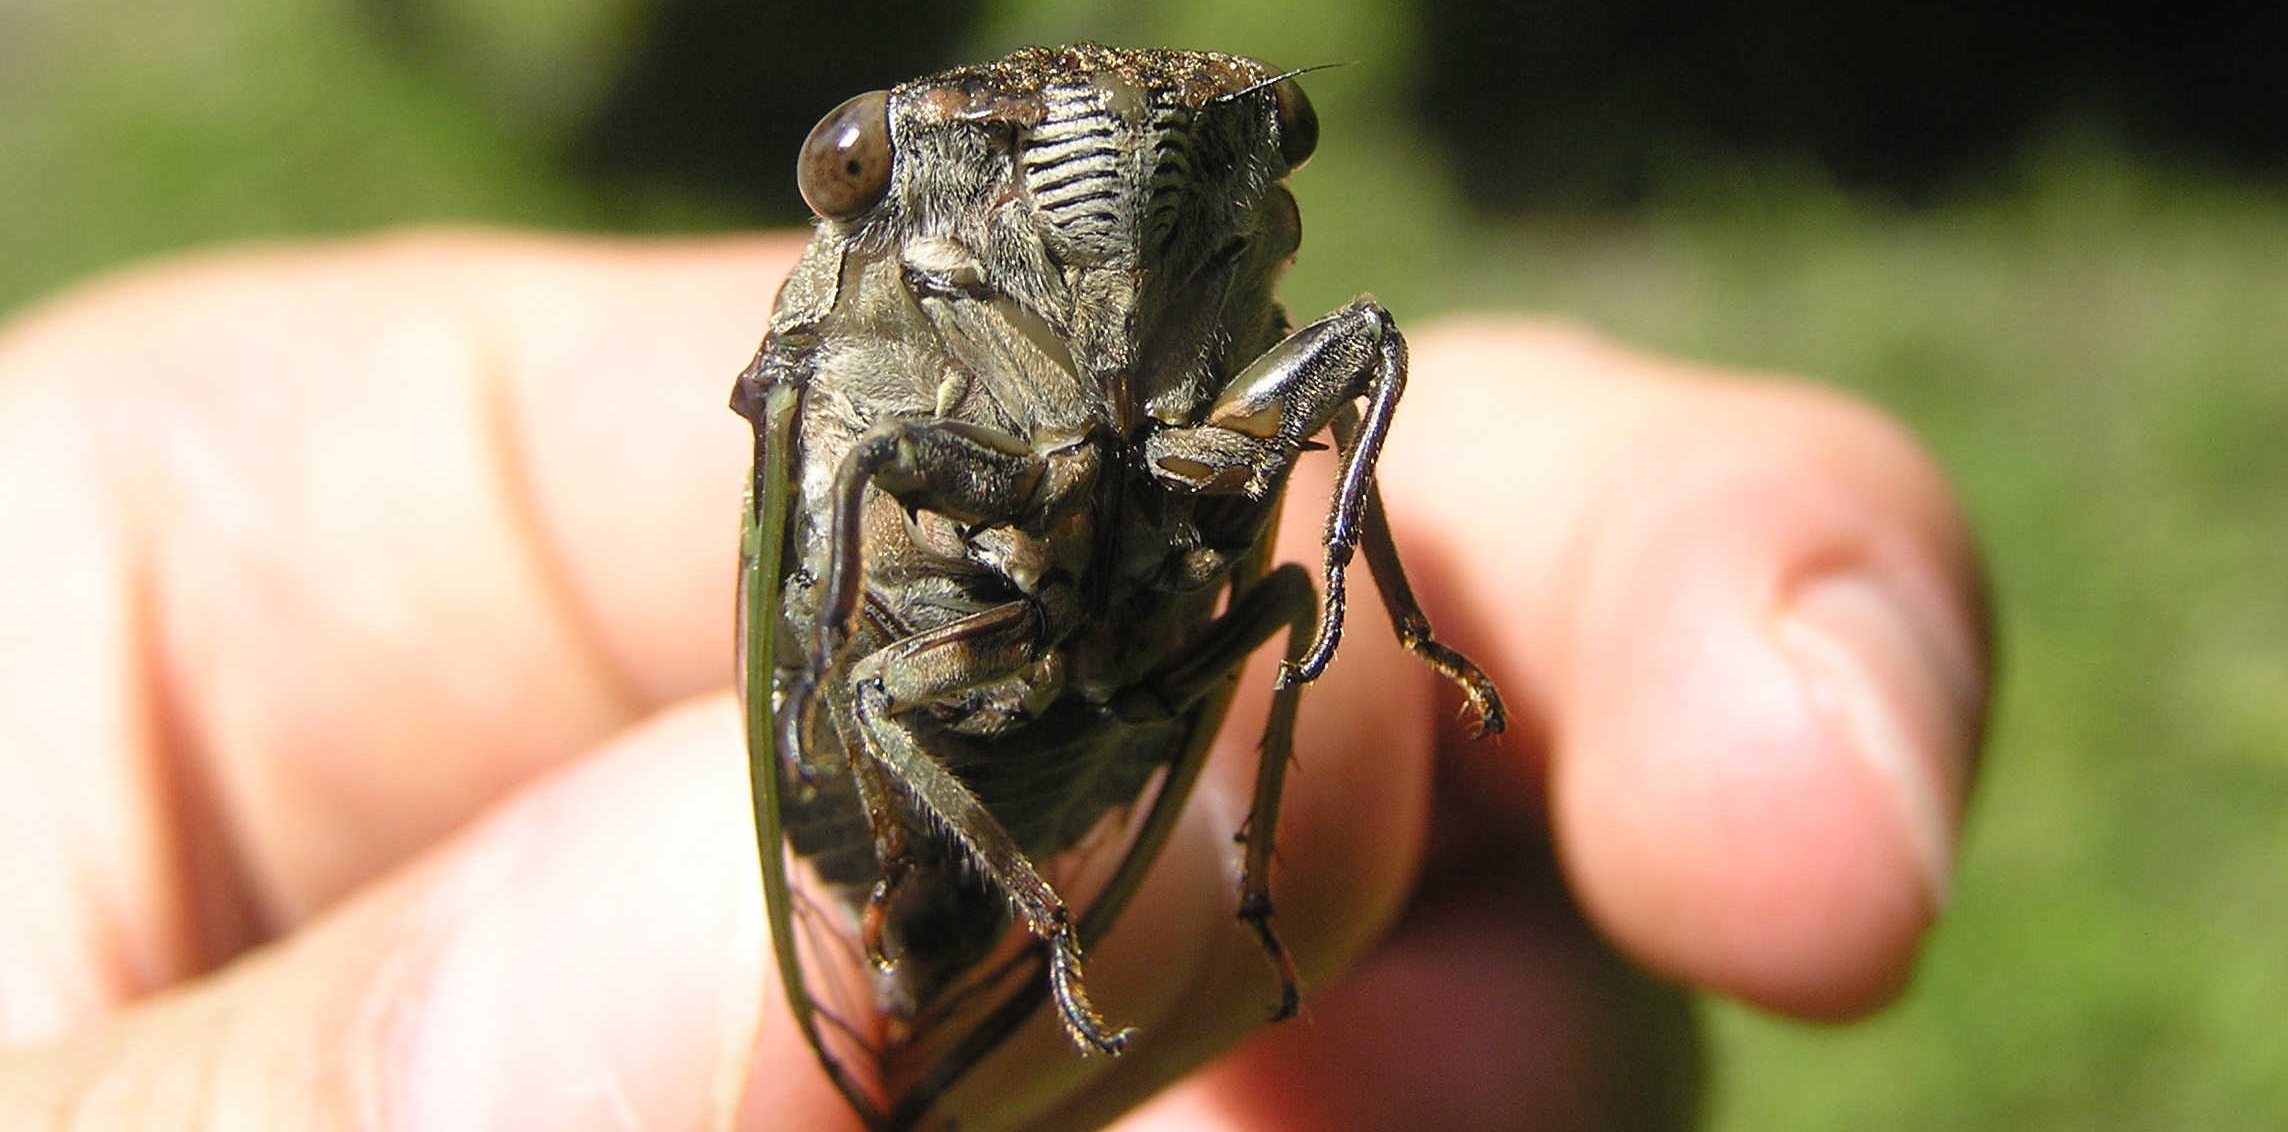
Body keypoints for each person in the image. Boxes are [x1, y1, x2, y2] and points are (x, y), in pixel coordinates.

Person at [0, 231, 1986, 1131]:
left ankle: (1200, 879)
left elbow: (1337, 392)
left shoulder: (1242, 359)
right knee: (880, 700)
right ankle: (1018, 931)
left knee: (1303, 617)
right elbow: (839, 515)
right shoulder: (887, 352)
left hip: (1156, 644)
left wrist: (1399, 605)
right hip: (903, 728)